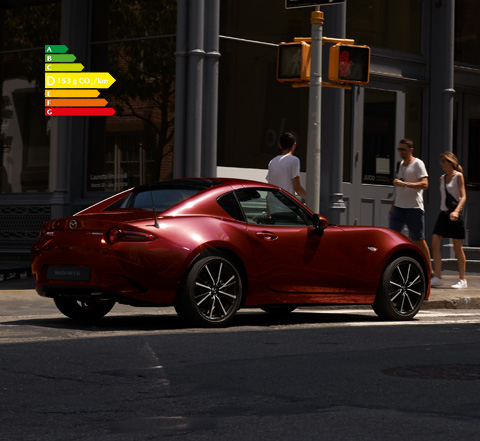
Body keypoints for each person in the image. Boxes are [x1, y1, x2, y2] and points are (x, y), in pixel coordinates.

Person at [389, 138, 433, 275]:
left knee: (419, 239)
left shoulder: (418, 164)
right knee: (393, 237)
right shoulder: (400, 164)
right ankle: (392, 268)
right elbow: (399, 188)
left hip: (414, 208)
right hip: (398, 208)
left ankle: (429, 270)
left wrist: (405, 184)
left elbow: (425, 184)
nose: (401, 152)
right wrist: (393, 204)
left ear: (411, 150)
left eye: (403, 149)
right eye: (399, 149)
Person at [431, 152, 467, 289]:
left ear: (450, 162)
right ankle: (438, 277)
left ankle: (462, 279)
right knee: (435, 241)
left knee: (457, 247)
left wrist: (457, 211)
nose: (441, 164)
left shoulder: (458, 176)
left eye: (443, 161)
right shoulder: (442, 178)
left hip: (455, 214)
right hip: (443, 214)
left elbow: (463, 197)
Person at [266, 132, 306, 200]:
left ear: (280, 146)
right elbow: (297, 187)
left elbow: (270, 186)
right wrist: (309, 199)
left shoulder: (272, 161)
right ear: (294, 145)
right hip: (287, 204)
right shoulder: (294, 160)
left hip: (273, 203)